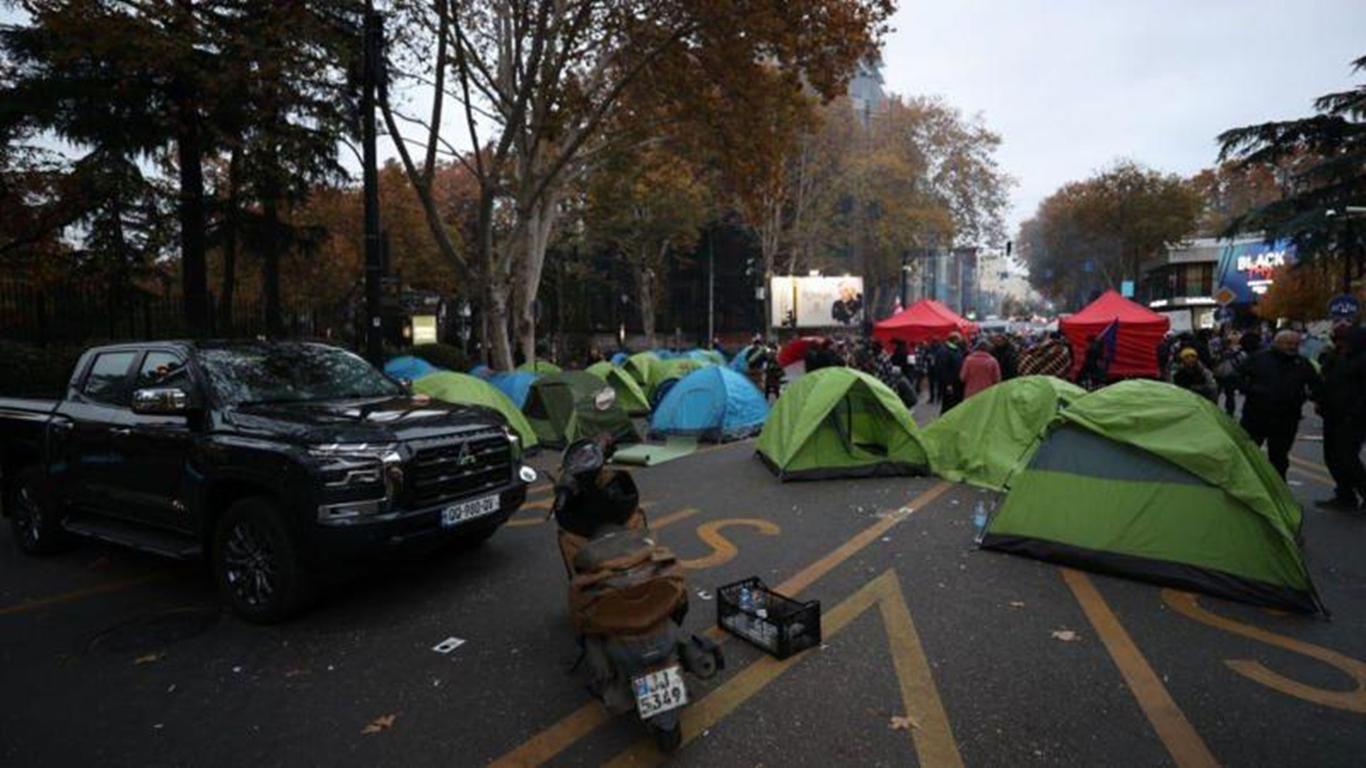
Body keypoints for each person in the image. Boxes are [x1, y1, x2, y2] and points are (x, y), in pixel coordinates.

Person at [1237, 330, 1321, 479]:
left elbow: (1316, 384)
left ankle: (1279, 492)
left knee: (1279, 458)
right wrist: (1252, 390)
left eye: (1296, 344)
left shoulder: (1301, 363)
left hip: (1286, 418)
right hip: (1256, 416)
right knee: (1249, 454)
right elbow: (1237, 377)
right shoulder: (1258, 359)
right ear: (1277, 343)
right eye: (1288, 343)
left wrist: (1309, 396)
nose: (1292, 347)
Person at [1316, 326, 1366, 510]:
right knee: (1333, 457)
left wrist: (1356, 412)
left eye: (1343, 341)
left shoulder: (1361, 360)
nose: (1339, 344)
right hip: (1333, 414)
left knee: (1347, 458)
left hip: (1352, 417)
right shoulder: (1338, 358)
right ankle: (1345, 494)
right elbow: (1328, 382)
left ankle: (1359, 491)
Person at [935, 334, 966, 412]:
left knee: (954, 404)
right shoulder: (944, 351)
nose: (961, 341)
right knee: (948, 405)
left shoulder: (956, 349)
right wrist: (948, 384)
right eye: (960, 339)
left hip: (956, 383)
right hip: (950, 384)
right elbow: (942, 369)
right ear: (955, 340)